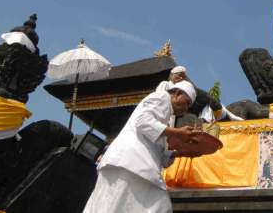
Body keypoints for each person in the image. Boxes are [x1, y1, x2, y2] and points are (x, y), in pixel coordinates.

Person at [83, 80, 200, 213]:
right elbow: (143, 122)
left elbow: (158, 153)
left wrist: (184, 153)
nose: (186, 109)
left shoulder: (166, 117)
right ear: (177, 93)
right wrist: (178, 133)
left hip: (134, 165)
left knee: (112, 205)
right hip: (129, 162)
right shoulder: (162, 97)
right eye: (187, 102)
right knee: (156, 205)